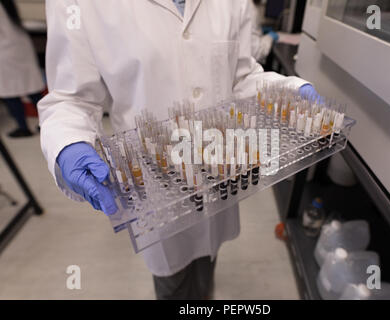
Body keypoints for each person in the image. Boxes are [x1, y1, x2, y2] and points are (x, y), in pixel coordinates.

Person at [38, 0, 320, 299]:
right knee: (173, 281)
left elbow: (241, 77)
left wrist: (289, 91)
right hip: (156, 186)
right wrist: (69, 143)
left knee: (207, 261)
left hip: (218, 175)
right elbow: (71, 98)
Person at [0, 0, 45, 138]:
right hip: (19, 45)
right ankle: (46, 122)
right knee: (32, 89)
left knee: (10, 93)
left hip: (5, 51)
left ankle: (23, 127)